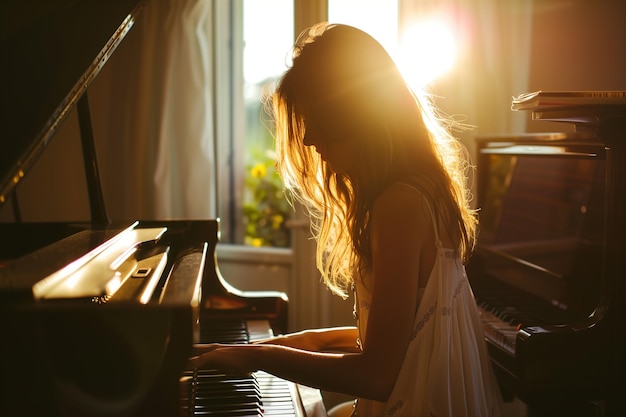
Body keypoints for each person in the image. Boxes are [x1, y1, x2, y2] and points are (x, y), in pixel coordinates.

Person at [189, 23, 503, 417]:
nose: (307, 140)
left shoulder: (399, 205)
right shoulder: (422, 188)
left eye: (313, 119)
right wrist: (298, 342)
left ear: (350, 115)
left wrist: (257, 359)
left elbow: (376, 376)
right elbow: (403, 332)